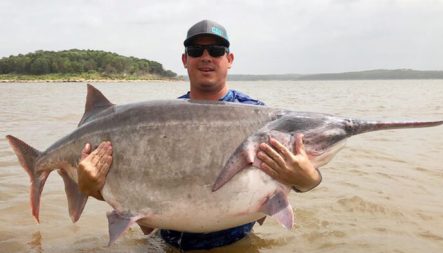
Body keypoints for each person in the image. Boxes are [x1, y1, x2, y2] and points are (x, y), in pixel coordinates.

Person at [77, 20, 322, 251]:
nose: (206, 57)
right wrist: (91, 188)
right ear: (185, 59)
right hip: (166, 244)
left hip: (237, 244)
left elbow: (294, 172)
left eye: (216, 50)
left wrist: (309, 180)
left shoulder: (258, 115)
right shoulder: (163, 120)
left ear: (230, 59)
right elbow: (144, 201)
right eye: (196, 50)